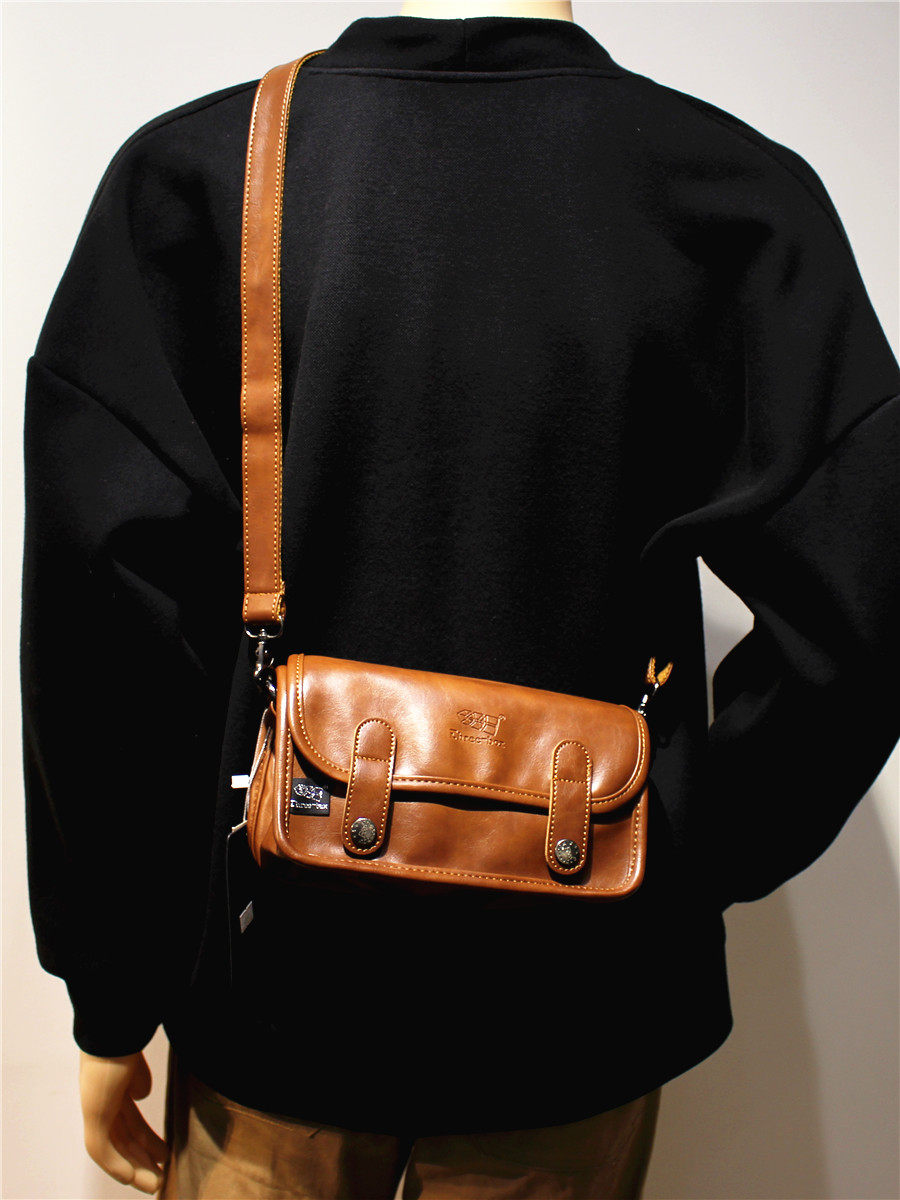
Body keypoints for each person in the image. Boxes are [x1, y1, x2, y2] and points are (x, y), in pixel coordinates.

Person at [20, 1, 900, 1196]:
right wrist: (682, 841)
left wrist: (112, 990)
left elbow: (98, 643)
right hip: (584, 1009)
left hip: (276, 1003)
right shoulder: (731, 194)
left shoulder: (197, 176)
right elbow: (867, 606)